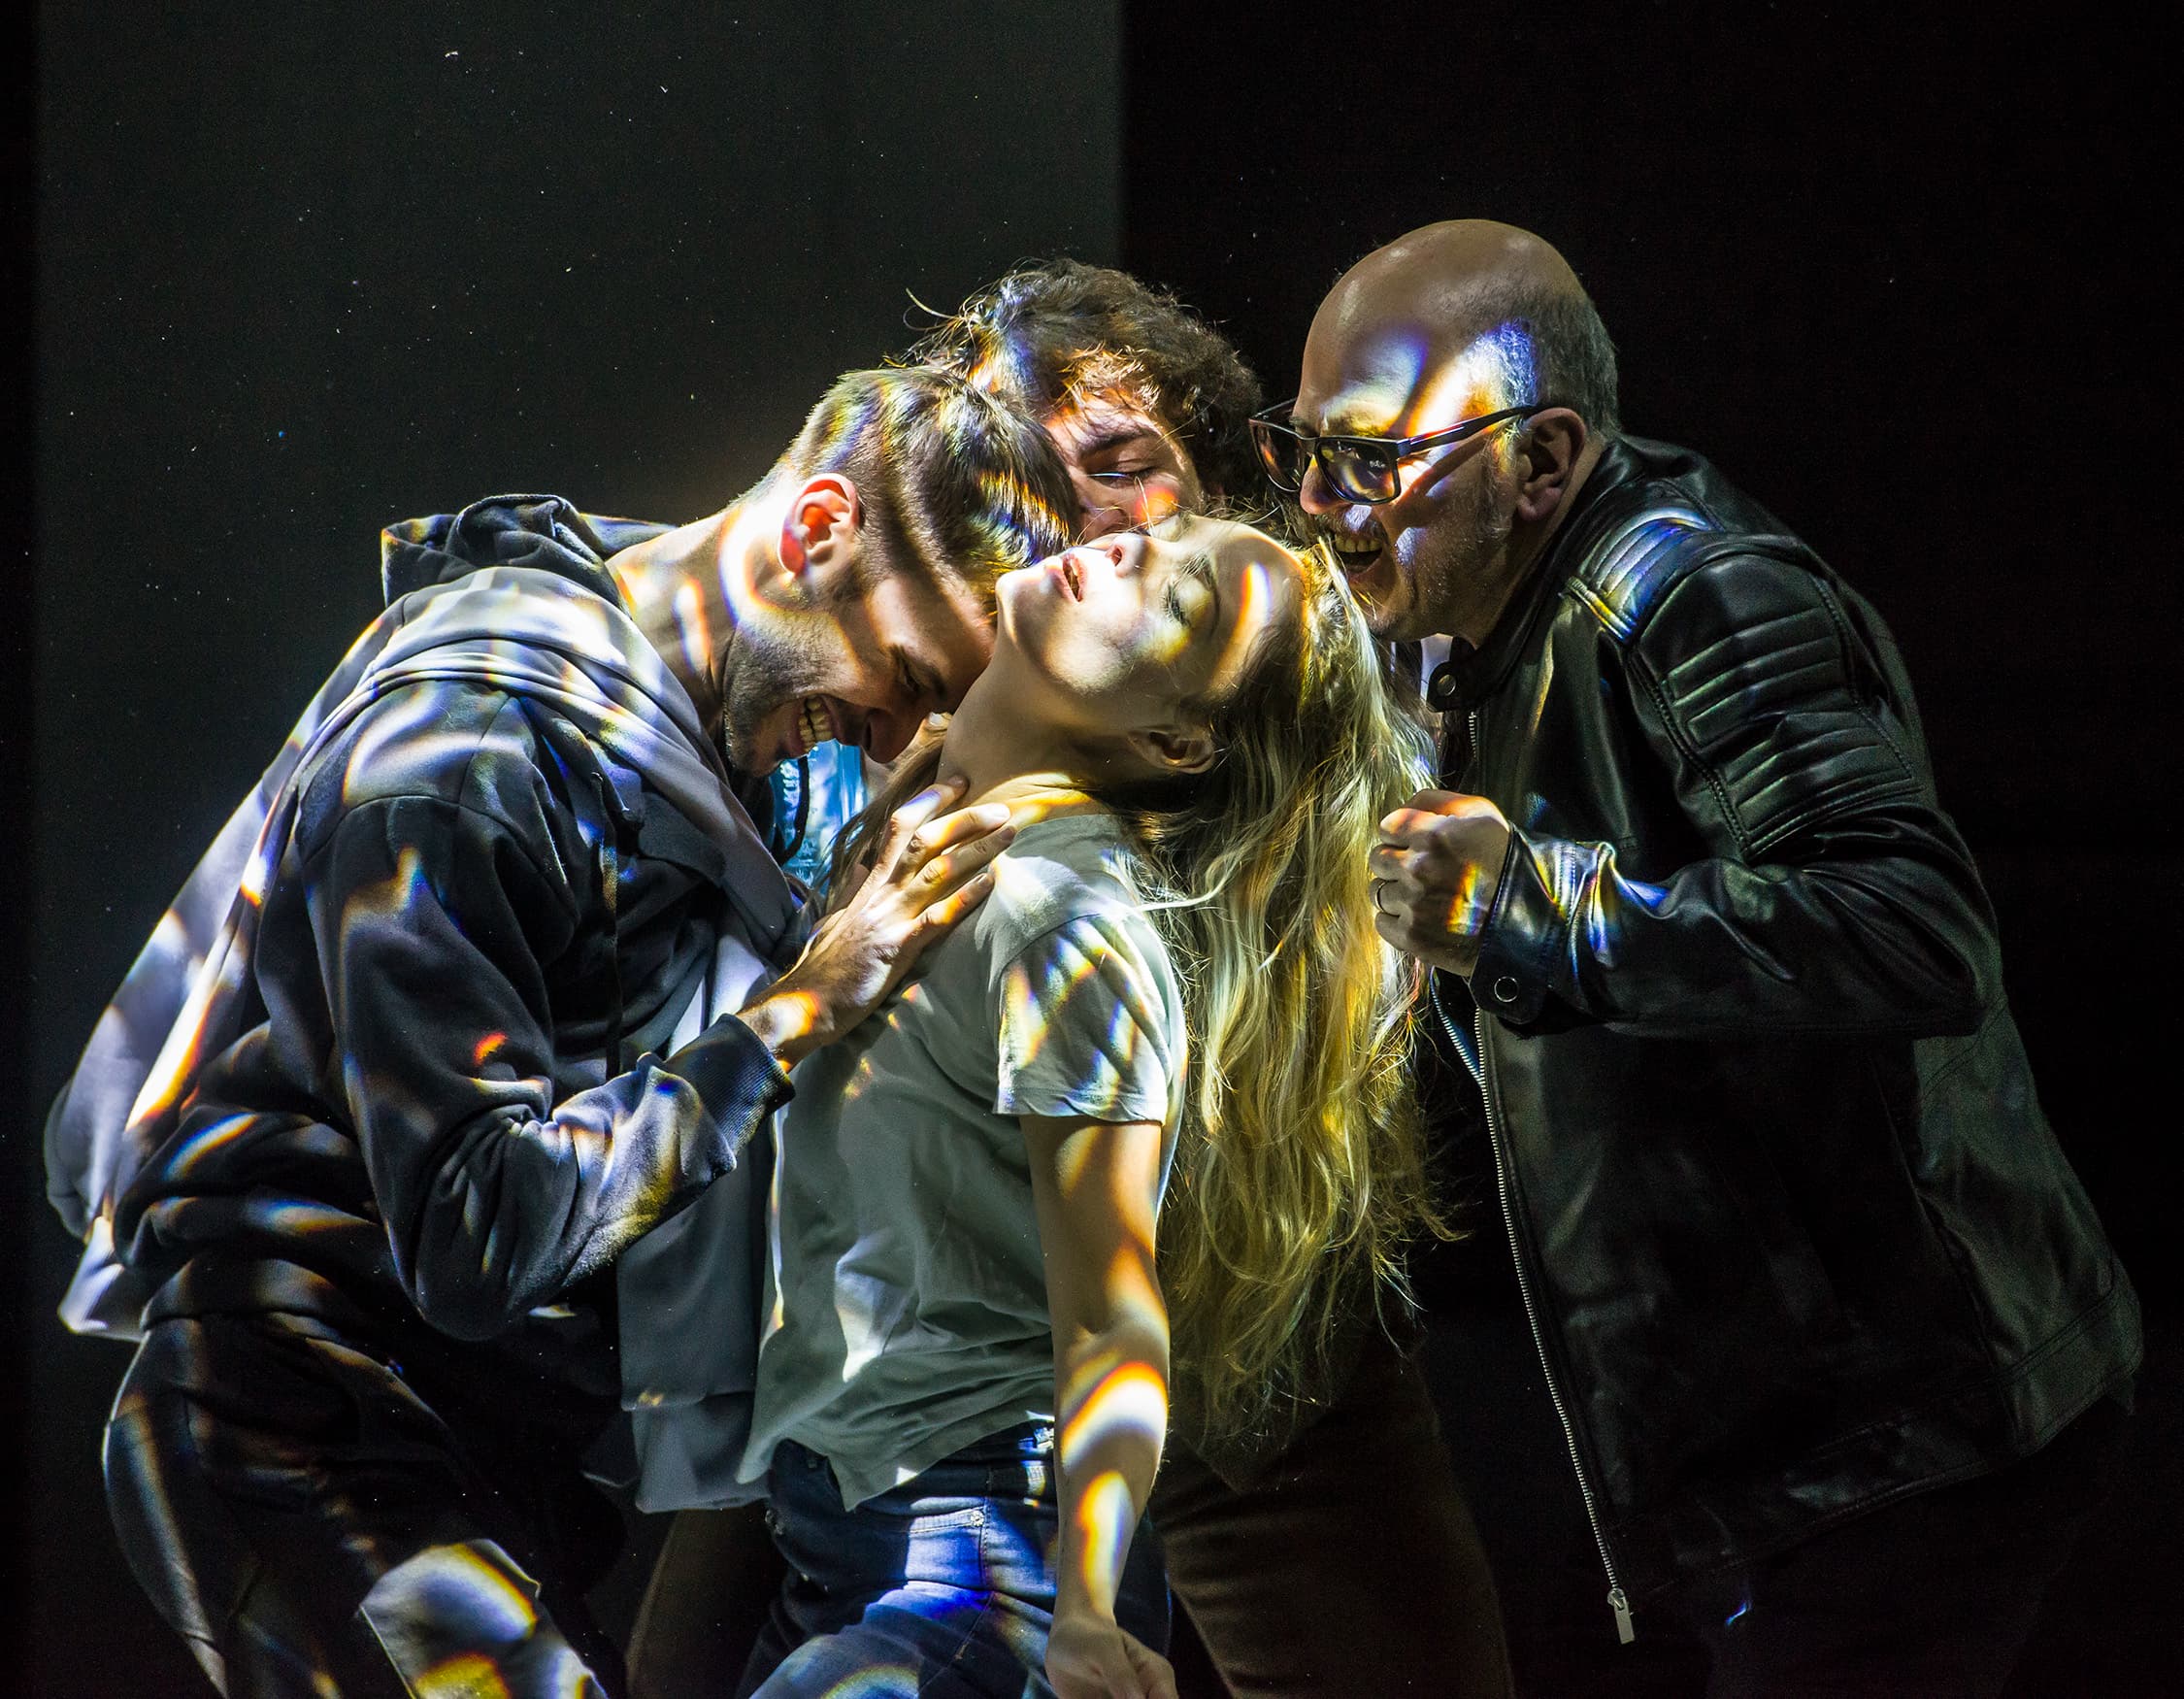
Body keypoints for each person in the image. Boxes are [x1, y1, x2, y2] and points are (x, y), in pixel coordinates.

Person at [42, 366, 1075, 1698]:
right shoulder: (466, 750)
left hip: (469, 1449)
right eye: (904, 677)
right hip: (296, 1428)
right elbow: (479, 1236)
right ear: (817, 529)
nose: (891, 732)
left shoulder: (701, 706)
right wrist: (800, 1010)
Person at [1262, 218, 2142, 1695]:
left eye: (1366, 456)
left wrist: (1526, 913)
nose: (1320, 503)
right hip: (1722, 1464)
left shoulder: (1684, 591)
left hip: (1889, 1460)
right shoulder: (1466, 611)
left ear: (1543, 460)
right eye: (1302, 450)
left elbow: (1913, 927)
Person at [628, 260, 1513, 1699]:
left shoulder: (1257, 682)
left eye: (1123, 470)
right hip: (882, 1378)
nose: (1076, 520)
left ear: (1229, 503)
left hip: (1207, 1328)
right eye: (1027, 475)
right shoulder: (892, 696)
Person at [732, 511, 1440, 1699]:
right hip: (834, 1519)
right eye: (1165, 534)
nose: (1129, 550)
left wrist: (1089, 1610)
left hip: (979, 1553)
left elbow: (1115, 1320)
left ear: (1175, 740)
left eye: (1183, 602)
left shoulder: (1070, 922)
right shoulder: (915, 826)